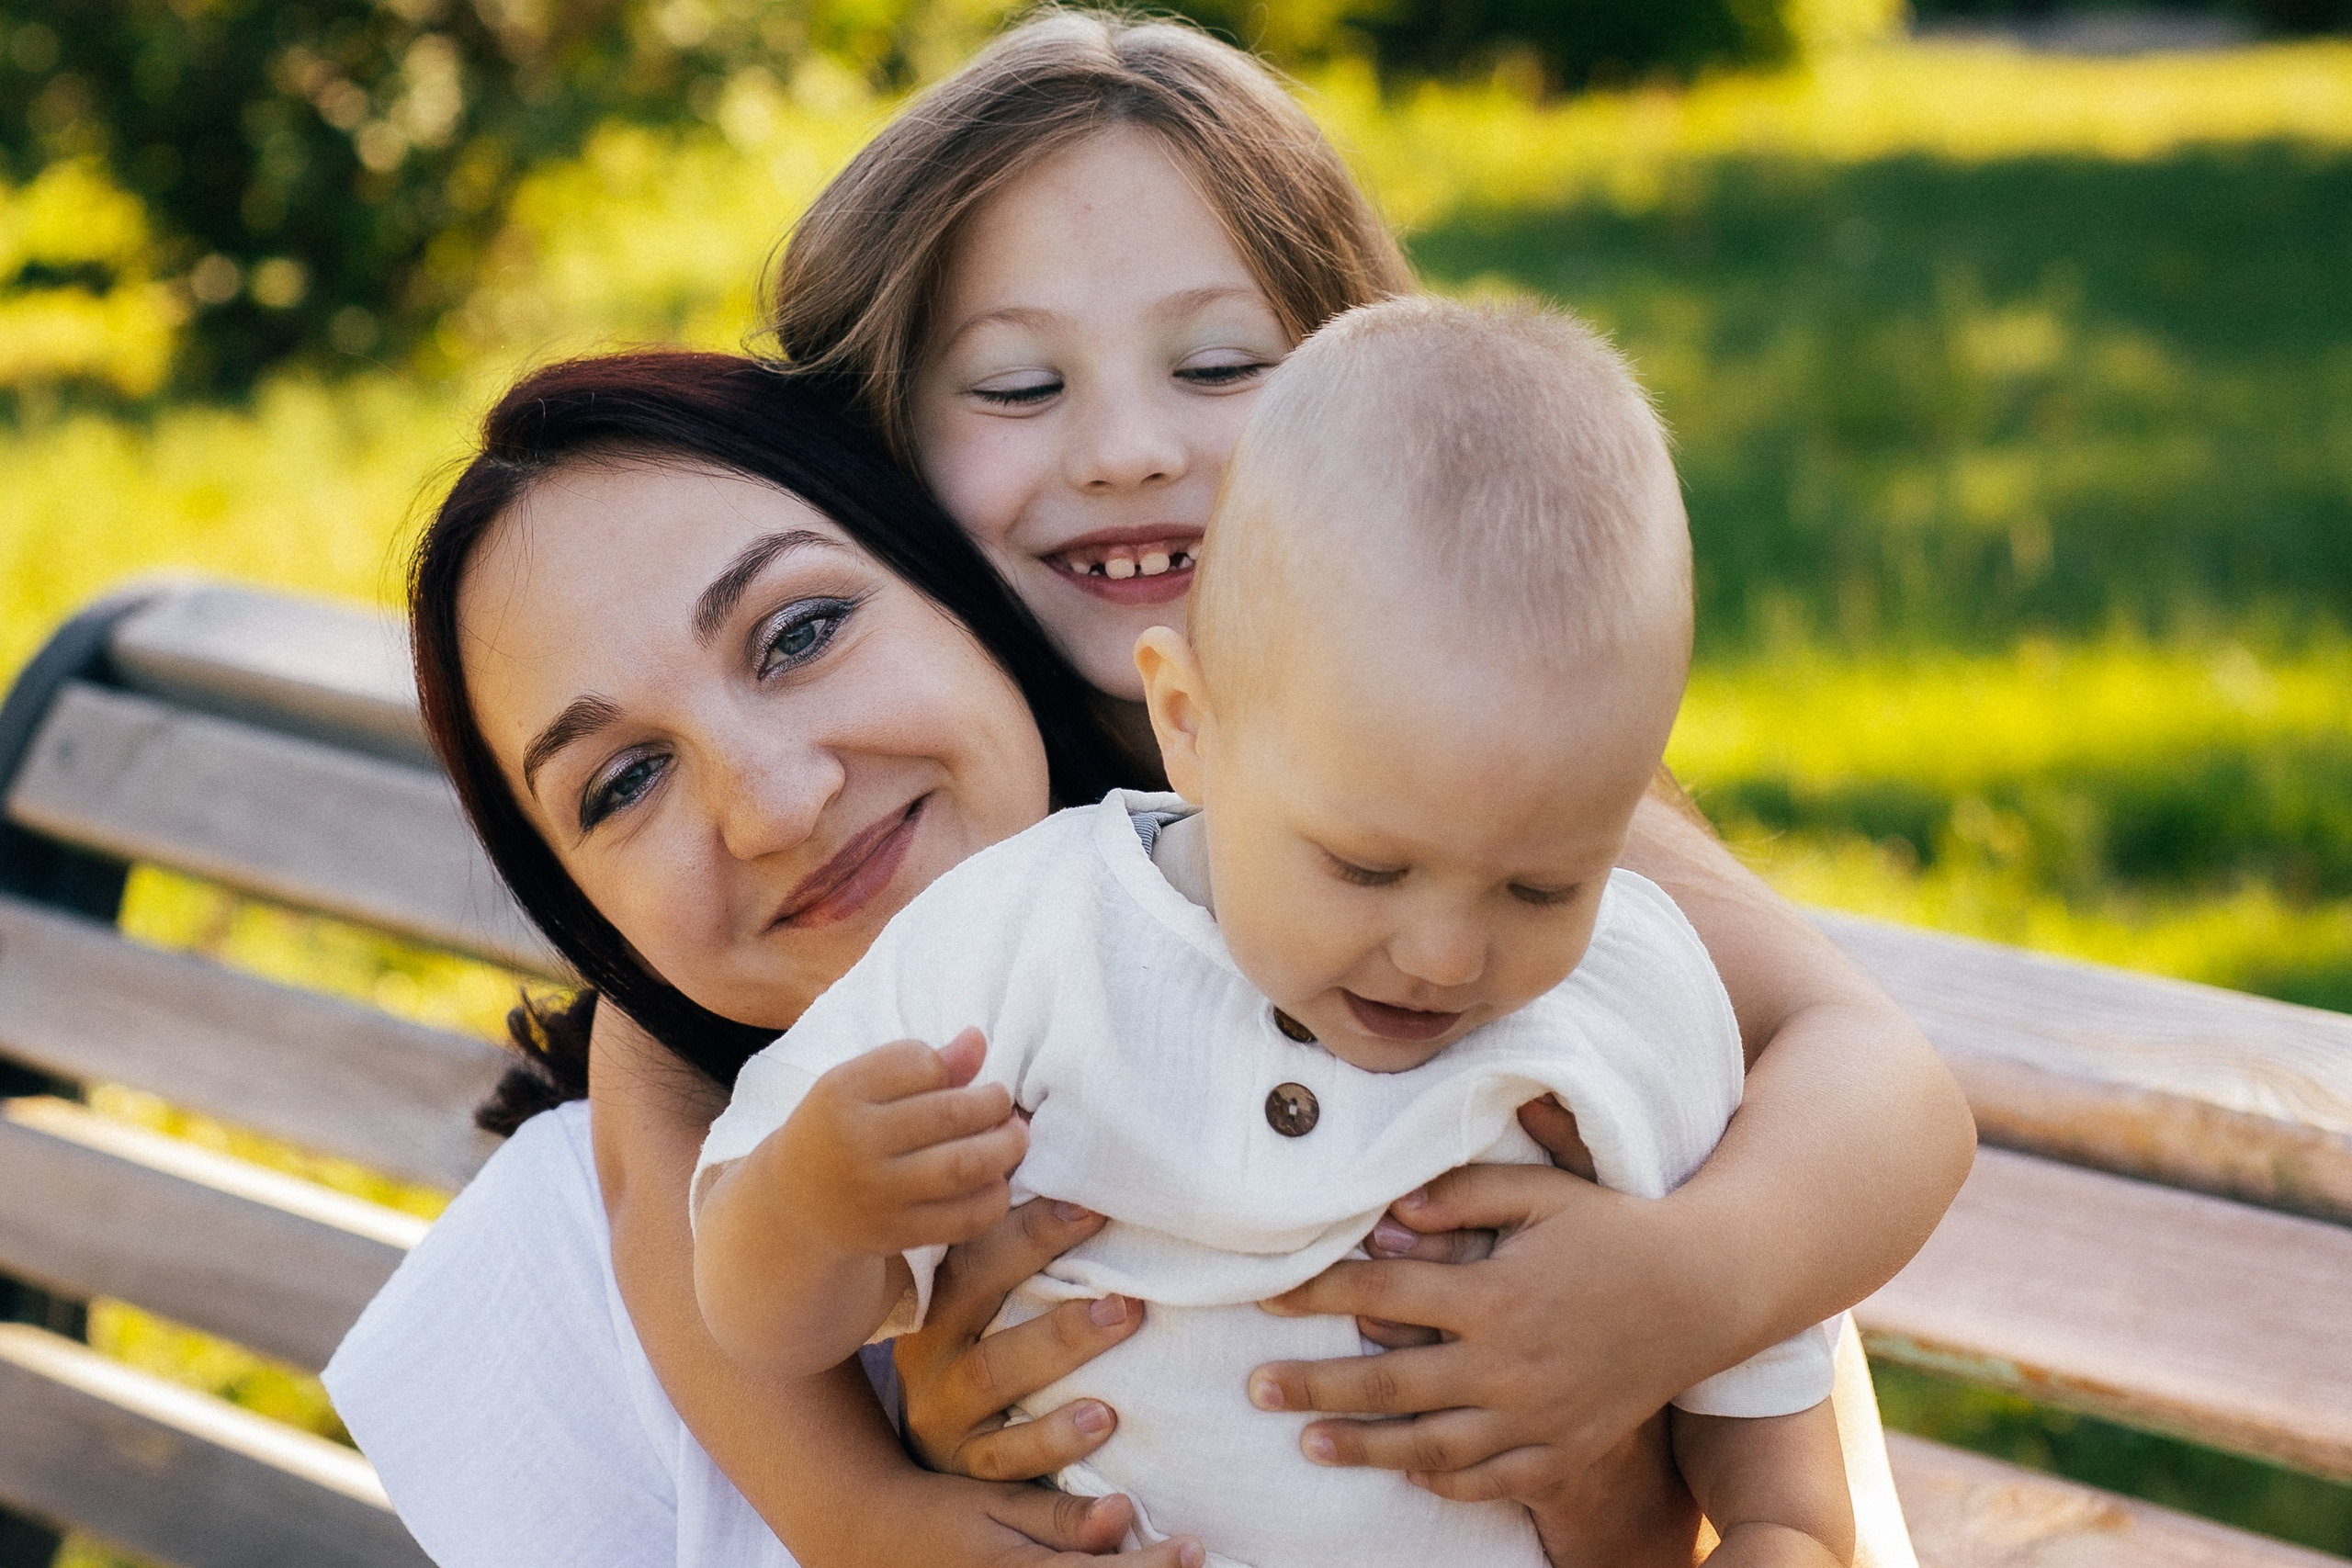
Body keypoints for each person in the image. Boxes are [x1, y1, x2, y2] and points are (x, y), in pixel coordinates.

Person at [333, 11, 1973, 1567]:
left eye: (1219, 367)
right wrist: (861, 1516)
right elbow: (665, 1170)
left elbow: (1846, 1067)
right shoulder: (922, 868)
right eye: (1021, 389)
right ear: (880, 458)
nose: (1127, 452)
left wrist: (1684, 1294)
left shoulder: (1460, 797)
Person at [691, 298, 1858, 1568]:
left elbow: (1776, 1460)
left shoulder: (1635, 999)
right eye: (1366, 866)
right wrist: (810, 1204)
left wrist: (1777, 1537)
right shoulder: (1022, 940)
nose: (1447, 956)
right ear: (1189, 725)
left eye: (1542, 890)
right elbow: (762, 1318)